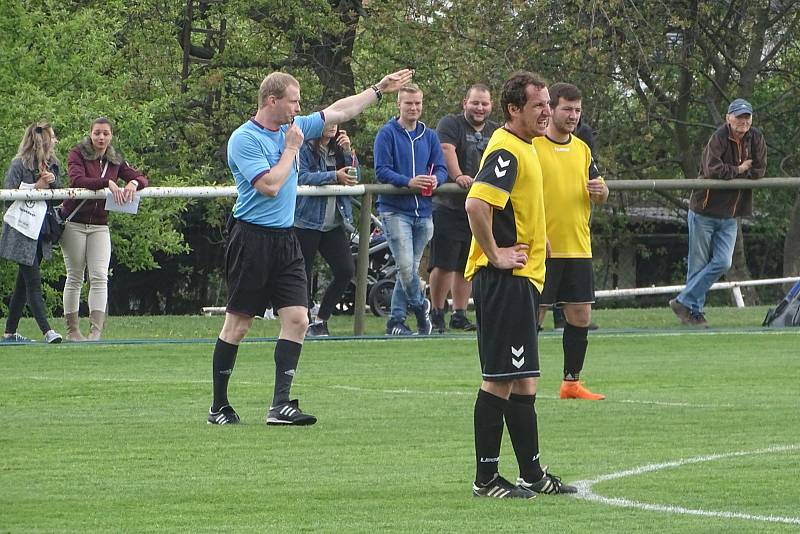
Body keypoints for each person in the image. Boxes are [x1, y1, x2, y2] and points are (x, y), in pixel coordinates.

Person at [208, 68, 414, 426]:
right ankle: (219, 407)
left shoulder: (296, 126)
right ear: (272, 100)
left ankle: (280, 405)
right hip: (251, 239)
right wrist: (291, 148)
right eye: (293, 100)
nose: (298, 107)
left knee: (298, 319)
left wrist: (379, 90)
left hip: (285, 238)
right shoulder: (245, 139)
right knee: (238, 326)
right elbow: (270, 185)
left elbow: (340, 111)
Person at [465, 71, 576, 498]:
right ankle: (486, 479)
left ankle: (532, 474)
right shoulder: (507, 150)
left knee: (525, 380)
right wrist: (495, 253)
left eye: (548, 104)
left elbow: (515, 204)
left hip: (524, 279)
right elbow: (477, 203)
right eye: (538, 106)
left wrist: (536, 235)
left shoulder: (525, 147)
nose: (547, 111)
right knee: (498, 379)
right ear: (514, 110)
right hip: (504, 280)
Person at [533, 83, 609, 401]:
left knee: (580, 317)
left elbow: (598, 186)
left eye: (577, 110)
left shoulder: (582, 149)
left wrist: (602, 192)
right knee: (533, 316)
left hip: (578, 245)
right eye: (567, 109)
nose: (573, 115)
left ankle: (571, 383)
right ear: (551, 109)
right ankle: (520, 380)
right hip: (543, 247)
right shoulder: (532, 146)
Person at [669, 98, 767, 327]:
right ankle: (694, 313)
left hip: (731, 214)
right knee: (698, 264)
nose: (743, 122)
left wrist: (736, 173)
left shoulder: (757, 137)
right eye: (739, 117)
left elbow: (760, 169)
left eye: (747, 117)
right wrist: (740, 169)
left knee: (723, 262)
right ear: (728, 118)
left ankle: (683, 301)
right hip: (705, 209)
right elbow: (712, 169)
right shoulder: (719, 137)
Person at [60, 117, 148, 342]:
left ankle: (95, 333)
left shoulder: (115, 159)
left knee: (99, 276)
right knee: (75, 277)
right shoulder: (77, 153)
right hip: (75, 222)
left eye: (105, 133)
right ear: (90, 133)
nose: (101, 137)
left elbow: (140, 177)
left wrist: (133, 184)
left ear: (111, 136)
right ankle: (73, 331)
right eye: (97, 133)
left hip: (100, 224)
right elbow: (77, 179)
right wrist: (106, 183)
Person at [374, 83, 447, 336]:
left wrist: (437, 179)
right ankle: (421, 307)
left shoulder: (430, 135)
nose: (413, 108)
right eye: (408, 103)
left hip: (424, 211)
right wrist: (408, 182)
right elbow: (381, 170)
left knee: (410, 271)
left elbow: (441, 167)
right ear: (399, 105)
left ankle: (396, 320)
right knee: (406, 267)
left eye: (417, 103)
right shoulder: (387, 133)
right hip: (395, 210)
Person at [428, 84, 498, 333]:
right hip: (449, 204)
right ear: (465, 103)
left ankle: (459, 313)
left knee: (466, 264)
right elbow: (447, 150)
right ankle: (436, 312)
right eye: (475, 103)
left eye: (485, 104)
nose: (480, 108)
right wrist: (458, 176)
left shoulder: (495, 131)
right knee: (444, 263)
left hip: (479, 207)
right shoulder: (451, 124)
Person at [0, 122, 63, 344]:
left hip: (41, 231)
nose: (55, 141)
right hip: (20, 232)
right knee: (33, 282)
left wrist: (53, 184)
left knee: (22, 284)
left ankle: (9, 333)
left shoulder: (54, 164)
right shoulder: (18, 164)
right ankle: (48, 331)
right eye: (52, 137)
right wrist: (35, 188)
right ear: (43, 141)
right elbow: (7, 197)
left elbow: (60, 198)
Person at [295, 122, 359, 337]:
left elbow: (354, 177)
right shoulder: (303, 148)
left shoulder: (340, 150)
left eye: (335, 123)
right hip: (306, 222)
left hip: (334, 223)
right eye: (328, 123)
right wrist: (333, 176)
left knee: (346, 270)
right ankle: (302, 323)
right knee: (302, 273)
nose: (333, 127)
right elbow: (301, 177)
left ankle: (321, 320)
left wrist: (349, 152)